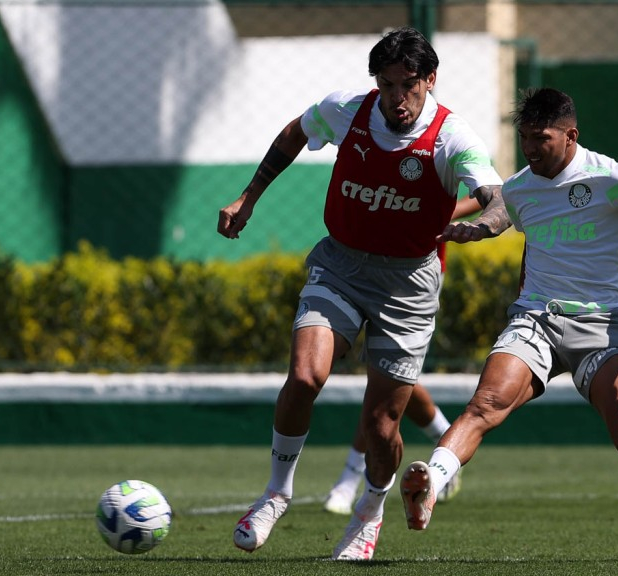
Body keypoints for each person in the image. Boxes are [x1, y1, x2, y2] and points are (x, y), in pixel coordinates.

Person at [399, 87, 618, 560]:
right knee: (484, 405)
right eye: (525, 138)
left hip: (601, 328)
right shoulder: (521, 184)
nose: (531, 148)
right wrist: (474, 230)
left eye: (542, 138)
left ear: (571, 136)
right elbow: (500, 214)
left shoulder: (612, 176)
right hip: (535, 321)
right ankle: (431, 483)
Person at [216, 27, 506, 561]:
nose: (397, 96)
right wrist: (248, 196)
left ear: (430, 80)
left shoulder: (452, 137)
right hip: (340, 266)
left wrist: (484, 223)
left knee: (380, 425)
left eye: (409, 84)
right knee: (305, 375)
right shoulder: (347, 109)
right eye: (387, 83)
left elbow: (496, 198)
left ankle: (369, 514)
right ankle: (277, 492)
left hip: (407, 286)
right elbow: (293, 134)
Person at [323, 196, 481, 516]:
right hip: (361, 268)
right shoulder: (367, 143)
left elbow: (486, 192)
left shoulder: (445, 146)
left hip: (413, 273)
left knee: (384, 376)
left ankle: (350, 479)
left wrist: (427, 212)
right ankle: (443, 436)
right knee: (385, 377)